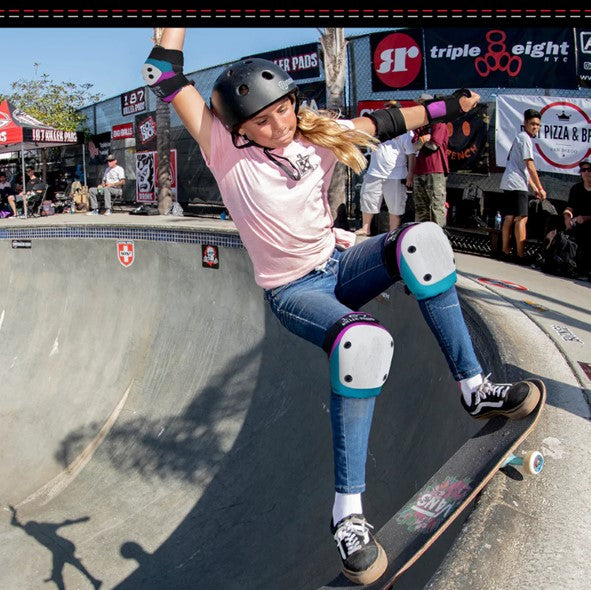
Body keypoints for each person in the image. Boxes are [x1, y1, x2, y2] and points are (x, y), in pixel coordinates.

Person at [143, 29, 544, 586]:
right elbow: (163, 75)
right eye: (263, 121)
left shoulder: (317, 136)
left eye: (284, 110)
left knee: (422, 238)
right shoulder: (221, 150)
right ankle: (348, 514)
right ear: (239, 128)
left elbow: (392, 121)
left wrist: (450, 105)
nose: (279, 125)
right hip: (294, 292)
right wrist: (172, 33)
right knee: (364, 341)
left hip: (339, 266)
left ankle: (474, 388)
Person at [355, 107, 418, 236]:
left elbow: (411, 154)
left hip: (396, 174)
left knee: (395, 206)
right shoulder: (376, 130)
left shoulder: (405, 132)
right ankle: (365, 228)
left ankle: (392, 232)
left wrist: (410, 175)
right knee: (368, 199)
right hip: (374, 172)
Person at [499, 108, 546, 265]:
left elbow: (522, 169)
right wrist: (540, 188)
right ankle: (519, 255)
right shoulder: (525, 139)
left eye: (538, 125)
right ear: (525, 123)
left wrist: (533, 187)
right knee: (522, 218)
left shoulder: (520, 137)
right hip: (516, 183)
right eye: (532, 123)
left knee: (509, 217)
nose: (535, 127)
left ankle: (504, 251)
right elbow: (530, 165)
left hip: (510, 181)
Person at [412, 94, 450, 227]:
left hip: (435, 170)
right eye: (421, 103)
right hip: (420, 170)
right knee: (420, 207)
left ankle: (439, 238)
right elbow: (414, 145)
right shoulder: (420, 126)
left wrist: (423, 141)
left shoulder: (439, 122)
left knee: (436, 206)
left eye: (425, 103)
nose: (422, 106)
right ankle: (420, 238)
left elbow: (434, 145)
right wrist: (423, 140)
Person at [563, 159, 591, 276]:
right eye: (583, 170)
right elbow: (569, 208)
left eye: (590, 170)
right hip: (577, 224)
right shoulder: (576, 188)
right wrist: (567, 217)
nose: (586, 172)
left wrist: (585, 218)